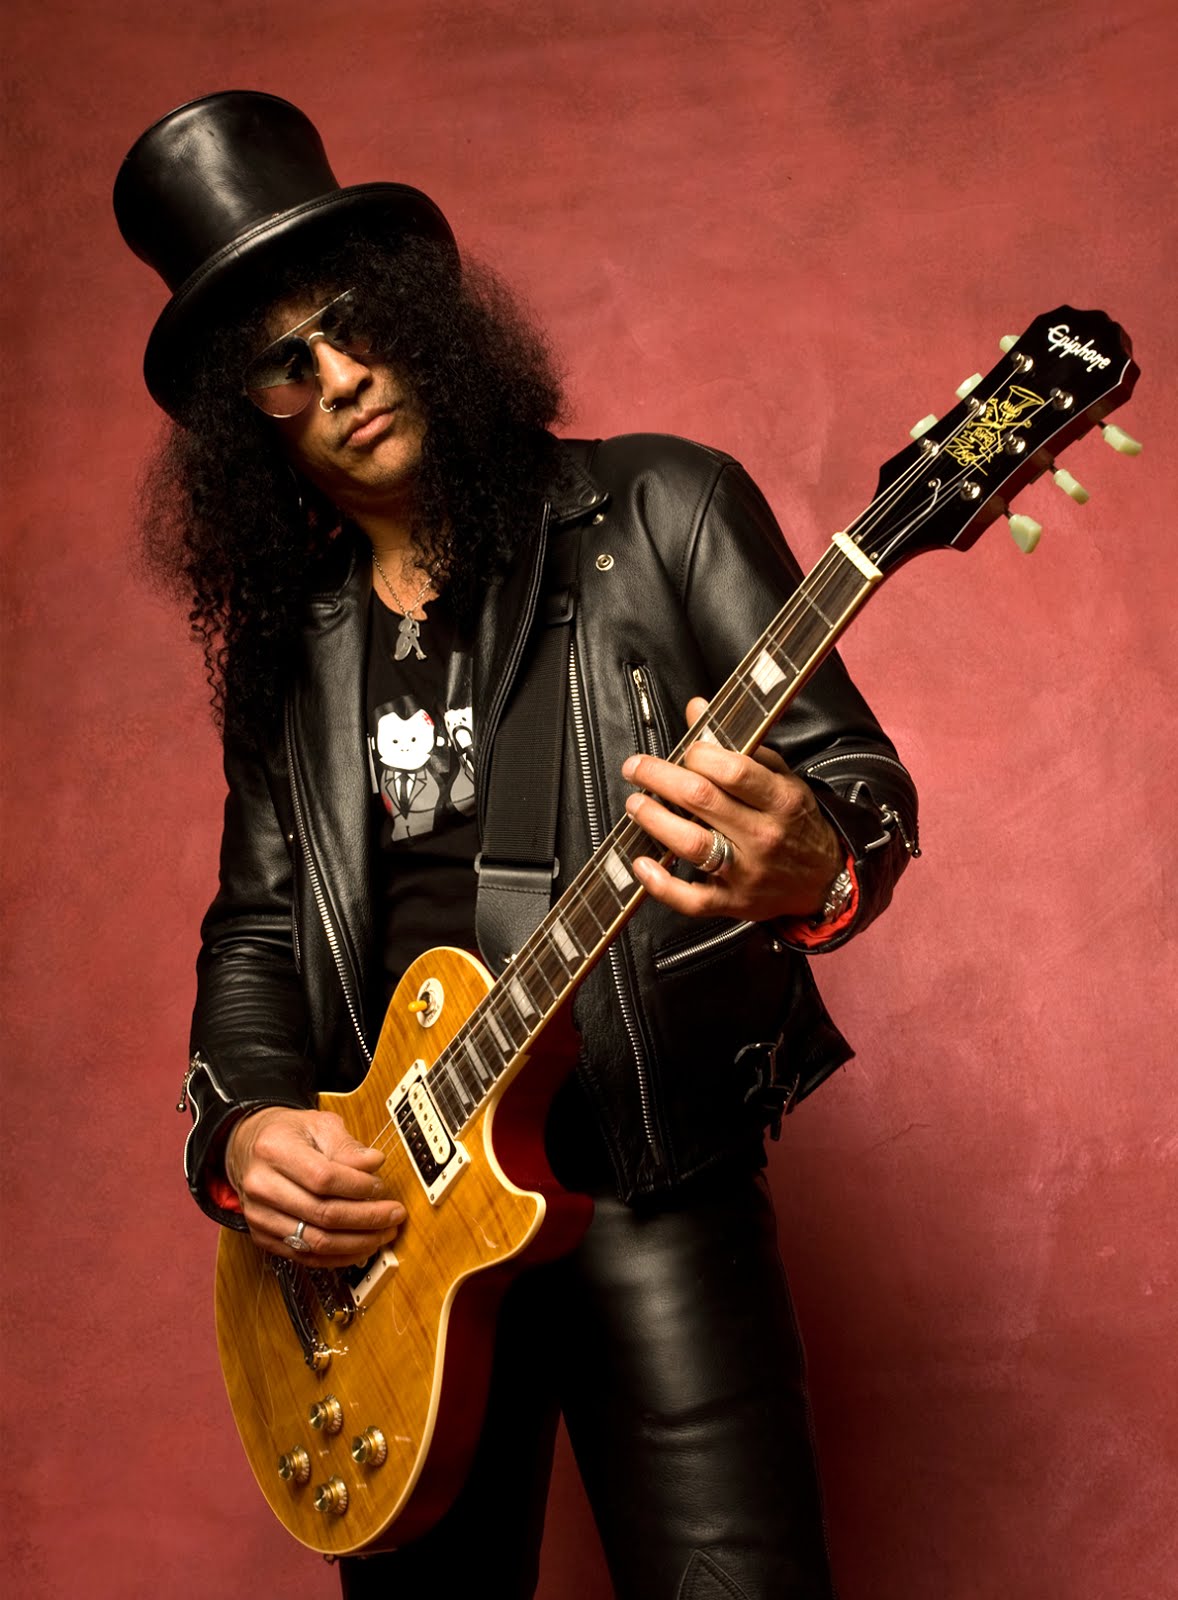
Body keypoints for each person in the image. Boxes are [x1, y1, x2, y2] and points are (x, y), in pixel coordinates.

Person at [115, 92, 918, 1600]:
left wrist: (816, 862)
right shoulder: (291, 653)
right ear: (247, 427)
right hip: (394, 1244)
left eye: (355, 324)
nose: (340, 376)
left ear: (425, 318)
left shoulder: (662, 506)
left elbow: (852, 783)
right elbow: (259, 931)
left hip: (654, 1175)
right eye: (284, 368)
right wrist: (242, 1132)